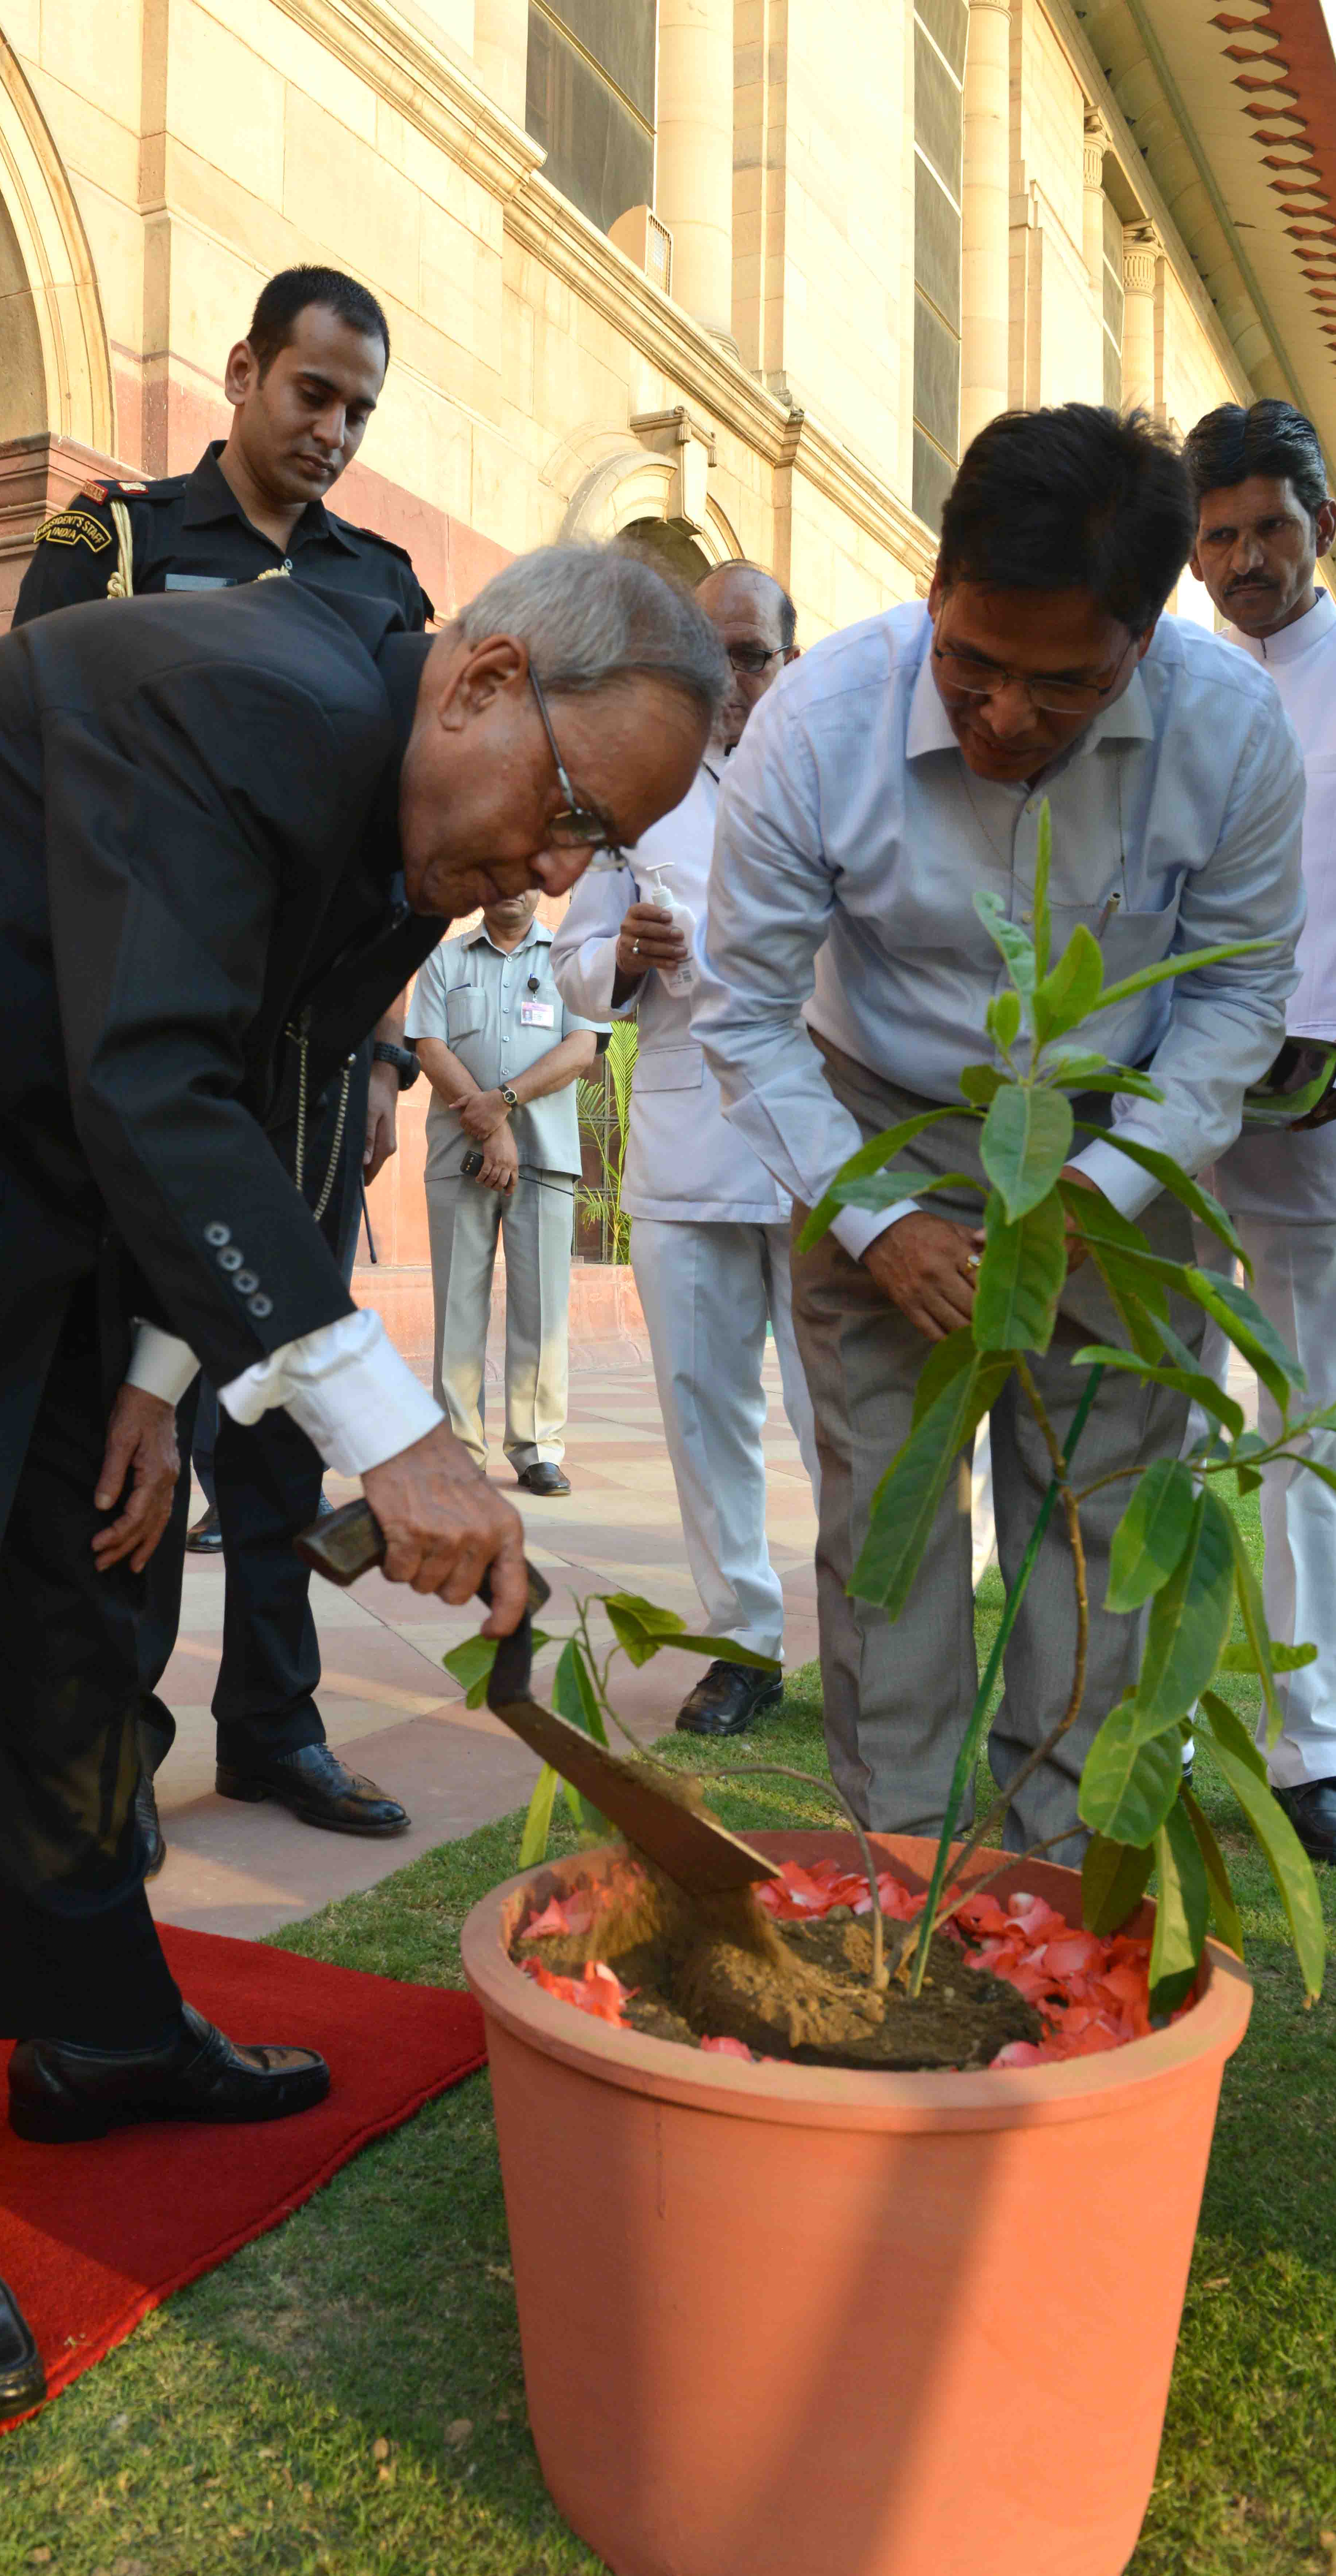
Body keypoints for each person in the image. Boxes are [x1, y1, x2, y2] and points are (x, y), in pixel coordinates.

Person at [0, 544, 719, 2422]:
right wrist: (395, 1431)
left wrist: (156, 1367)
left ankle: (94, 2032)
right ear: (484, 681)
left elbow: (248, 1072)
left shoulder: (404, 806)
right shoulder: (243, 701)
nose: (549, 874)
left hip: (46, 1182)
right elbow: (155, 1081)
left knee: (83, 1593)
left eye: (590, 854)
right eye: (571, 813)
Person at [695, 404, 1305, 1860]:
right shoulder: (819, 719)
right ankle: (906, 1876)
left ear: (1146, 638)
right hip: (877, 1128)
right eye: (971, 664)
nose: (1006, 718)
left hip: (1122, 1142)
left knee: (1094, 1522)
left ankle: (1041, 1880)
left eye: (1064, 683)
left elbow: (1235, 993)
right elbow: (743, 1007)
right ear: (932, 587)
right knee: (891, 1528)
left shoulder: (1229, 735)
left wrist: (1096, 1188)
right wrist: (874, 1220)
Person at [16, 264, 432, 1851]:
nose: (331, 431)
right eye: (311, 394)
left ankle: (273, 1727)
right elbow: (43, 754)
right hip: (144, 1048)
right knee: (139, 1422)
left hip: (315, 1073)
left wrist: (386, 1058)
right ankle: (105, 1753)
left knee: (277, 1413)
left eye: (357, 412)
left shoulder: (379, 584)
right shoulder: (113, 546)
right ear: (245, 370)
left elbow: (400, 843)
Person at [553, 561, 815, 1737]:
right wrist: (621, 958)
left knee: (840, 1415)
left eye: (752, 655)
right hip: (684, 1145)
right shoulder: (638, 789)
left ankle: (878, 1639)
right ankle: (741, 1644)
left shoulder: (830, 775)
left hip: (820, 1153)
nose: (732, 681)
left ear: (786, 663)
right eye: (711, 657)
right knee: (703, 1411)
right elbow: (568, 973)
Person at [1183, 398, 1336, 1868]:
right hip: (1176, 1107)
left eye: (1267, 528)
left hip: (1333, 1104)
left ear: (1319, 520)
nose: (1245, 560)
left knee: (1310, 1430)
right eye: (1216, 537)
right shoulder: (1170, 681)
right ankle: (1157, 1719)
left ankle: (1314, 1756)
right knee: (1157, 1414)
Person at [408, 888, 603, 1493]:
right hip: (460, 1156)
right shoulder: (446, 960)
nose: (511, 888)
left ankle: (537, 1446)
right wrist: (491, 1127)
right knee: (456, 1307)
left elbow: (582, 1048)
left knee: (541, 1308)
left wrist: (504, 1103)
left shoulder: (569, 959)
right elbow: (430, 1048)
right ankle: (458, 1451)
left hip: (546, 1158)